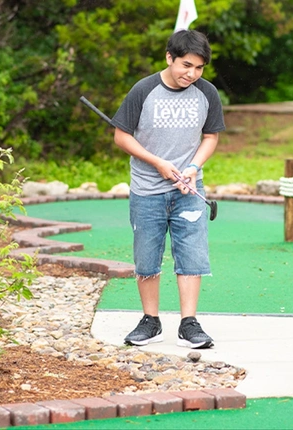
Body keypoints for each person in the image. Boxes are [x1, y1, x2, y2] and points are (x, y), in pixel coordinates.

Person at [110, 29, 225, 349]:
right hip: (148, 190)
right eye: (186, 65)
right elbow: (122, 136)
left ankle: (189, 324)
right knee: (147, 257)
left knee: (192, 255)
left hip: (189, 189)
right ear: (169, 58)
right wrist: (157, 162)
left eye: (199, 68)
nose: (192, 74)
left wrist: (193, 168)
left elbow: (211, 137)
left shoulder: (207, 93)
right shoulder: (143, 90)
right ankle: (151, 321)